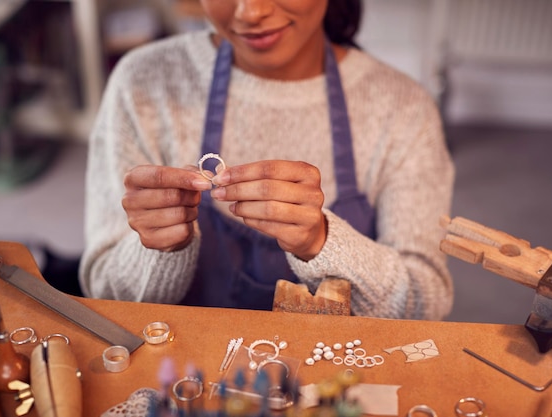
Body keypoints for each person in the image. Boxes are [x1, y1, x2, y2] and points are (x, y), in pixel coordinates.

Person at [79, 0, 455, 320]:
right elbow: (104, 292)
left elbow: (425, 302)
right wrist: (160, 250)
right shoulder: (142, 83)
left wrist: (321, 242)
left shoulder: (403, 108)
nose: (251, 12)